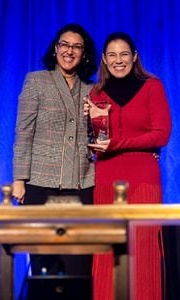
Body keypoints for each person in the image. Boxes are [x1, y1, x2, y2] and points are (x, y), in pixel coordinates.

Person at [85, 32, 172, 300]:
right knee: (106, 251)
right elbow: (98, 140)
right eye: (112, 54)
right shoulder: (96, 92)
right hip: (106, 178)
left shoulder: (152, 86)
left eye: (124, 54)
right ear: (104, 59)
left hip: (143, 178)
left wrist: (117, 144)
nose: (118, 60)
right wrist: (90, 125)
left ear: (134, 57)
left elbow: (161, 134)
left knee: (143, 250)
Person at [12, 23, 97, 277]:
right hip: (40, 184)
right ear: (55, 49)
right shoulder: (36, 81)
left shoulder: (93, 89)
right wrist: (19, 179)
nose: (69, 51)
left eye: (76, 46)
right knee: (43, 264)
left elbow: (102, 135)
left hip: (81, 185)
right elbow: (24, 132)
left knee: (79, 265)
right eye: (64, 44)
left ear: (84, 53)